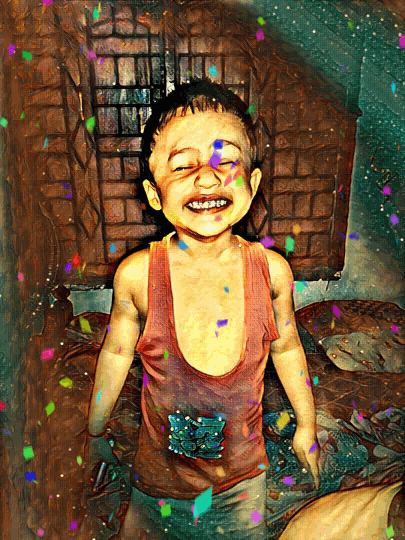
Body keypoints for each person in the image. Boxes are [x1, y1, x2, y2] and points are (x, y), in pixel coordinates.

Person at [87, 78, 320, 539]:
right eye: (182, 166)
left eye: (226, 161)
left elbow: (288, 348)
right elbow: (115, 353)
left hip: (242, 485)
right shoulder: (137, 276)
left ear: (252, 184)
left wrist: (306, 427)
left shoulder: (271, 272)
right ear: (155, 194)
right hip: (157, 485)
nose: (208, 178)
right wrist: (94, 431)